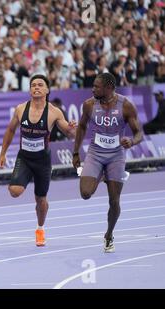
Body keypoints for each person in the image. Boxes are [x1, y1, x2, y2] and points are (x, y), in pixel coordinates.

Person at [0, 75, 77, 246]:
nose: (36, 87)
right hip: (24, 158)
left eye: (40, 85)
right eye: (33, 85)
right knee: (15, 191)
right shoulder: (20, 109)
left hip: (42, 161)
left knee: (41, 200)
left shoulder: (54, 112)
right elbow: (10, 130)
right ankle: (18, 180)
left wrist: (72, 129)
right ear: (29, 90)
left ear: (47, 90)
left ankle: (40, 229)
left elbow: (69, 133)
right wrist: (2, 153)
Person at [72, 72, 143, 253]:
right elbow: (81, 126)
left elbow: (139, 133)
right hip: (95, 153)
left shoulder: (126, 106)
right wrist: (75, 152)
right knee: (85, 193)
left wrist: (132, 141)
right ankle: (102, 173)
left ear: (109, 88)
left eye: (96, 86)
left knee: (114, 200)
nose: (92, 89)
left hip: (116, 156)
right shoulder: (89, 105)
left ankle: (109, 235)